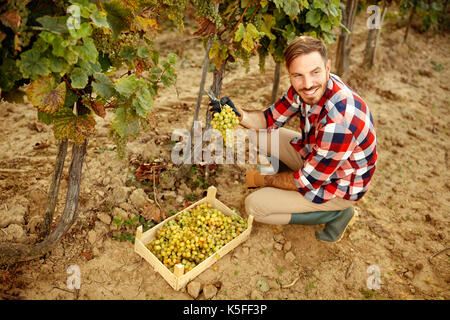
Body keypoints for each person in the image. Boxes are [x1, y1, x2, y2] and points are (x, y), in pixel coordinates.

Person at [208, 36, 377, 243]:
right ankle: (283, 187)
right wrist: (238, 115)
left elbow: (305, 181)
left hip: (338, 186)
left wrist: (263, 180)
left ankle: (336, 214)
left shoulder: (339, 123)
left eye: (315, 73)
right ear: (290, 74)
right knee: (258, 135)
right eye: (298, 75)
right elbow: (269, 119)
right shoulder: (308, 89)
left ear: (327, 67)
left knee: (254, 206)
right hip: (317, 159)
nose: (307, 84)